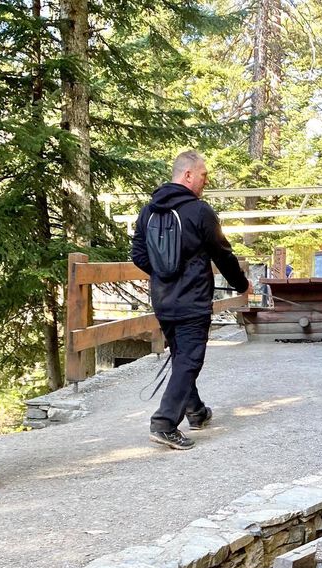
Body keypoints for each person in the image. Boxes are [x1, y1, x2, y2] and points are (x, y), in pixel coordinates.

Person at [131, 150, 249, 451]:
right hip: (193, 300)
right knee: (189, 359)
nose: (205, 181)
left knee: (182, 355)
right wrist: (241, 285)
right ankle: (164, 424)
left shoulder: (148, 211)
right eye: (203, 175)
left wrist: (163, 276)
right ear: (187, 175)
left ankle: (195, 411)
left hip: (163, 300)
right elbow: (223, 254)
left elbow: (139, 255)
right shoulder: (200, 212)